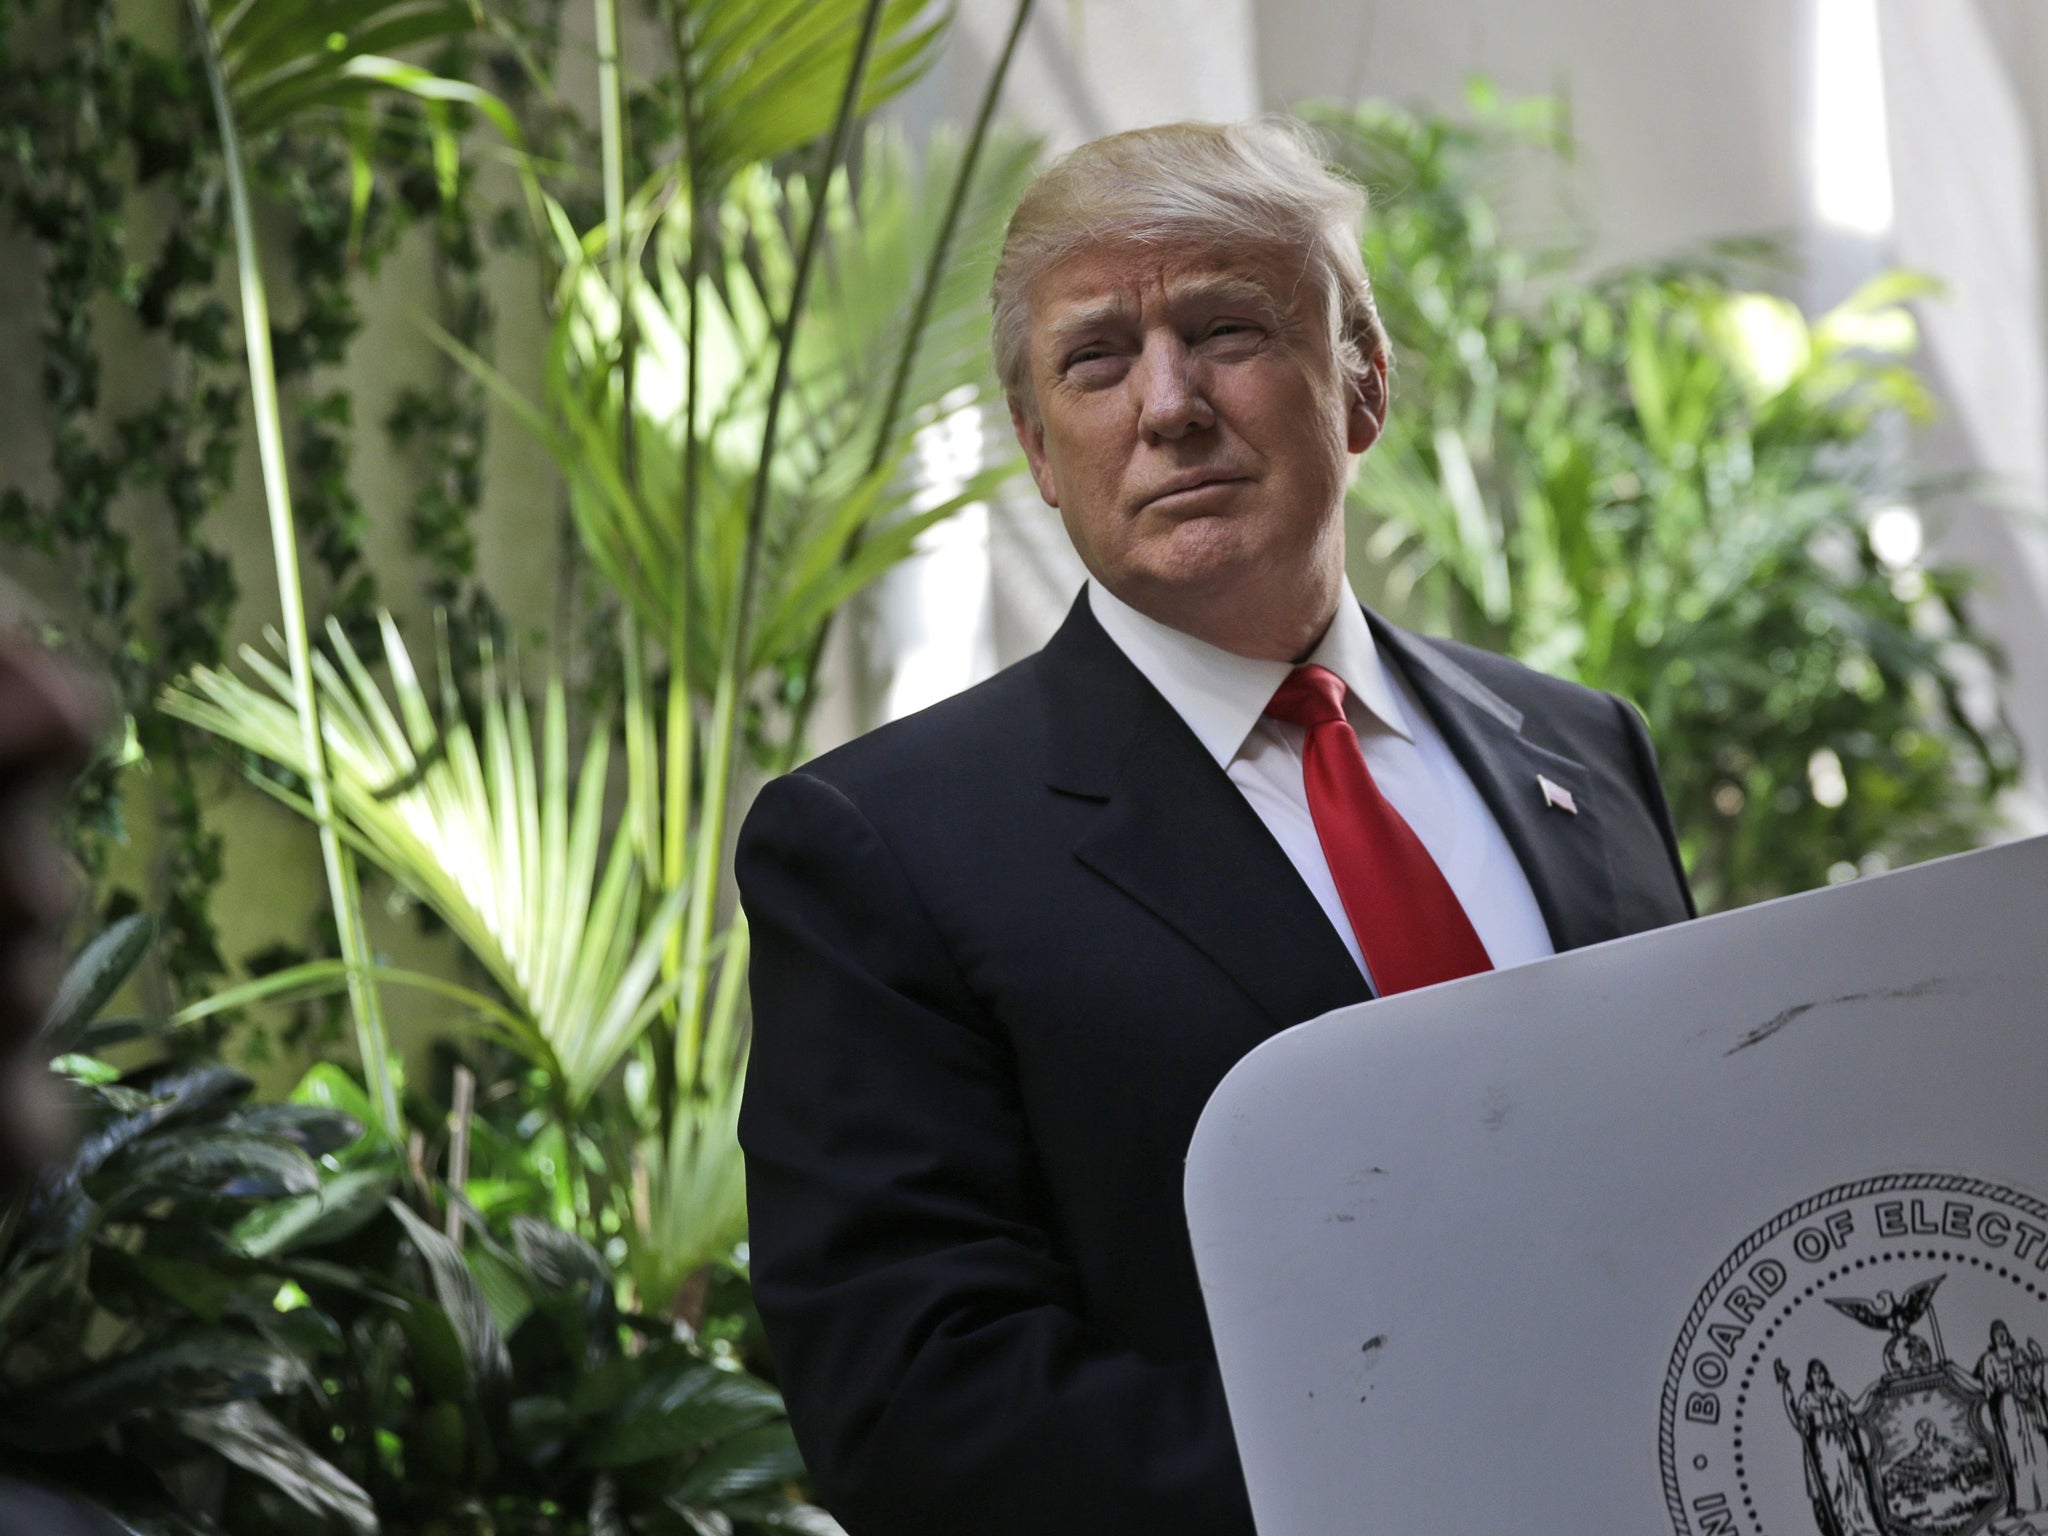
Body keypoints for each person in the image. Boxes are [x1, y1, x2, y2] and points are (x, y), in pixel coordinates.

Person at [735, 120, 1695, 1536]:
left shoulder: (1582, 748)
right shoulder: (880, 848)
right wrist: (1445, 1469)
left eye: (1225, 328)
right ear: (1037, 449)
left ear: (1362, 383)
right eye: (1097, 358)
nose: (1168, 406)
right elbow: (919, 1411)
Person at [1776, 1357, 1884, 1536]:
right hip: (1824, 1445)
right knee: (1833, 1486)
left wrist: (1871, 1390)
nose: (1819, 1376)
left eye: (1821, 1371)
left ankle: (1864, 1525)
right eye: (1815, 1373)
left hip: (1843, 1441)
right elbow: (1800, 1423)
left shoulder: (1836, 1393)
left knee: (1853, 1484)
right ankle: (1844, 1528)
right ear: (1810, 1377)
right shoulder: (1807, 1398)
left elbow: (1855, 1408)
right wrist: (1787, 1395)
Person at [1976, 1320, 2048, 1512]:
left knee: (2038, 1449)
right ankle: (2025, 1502)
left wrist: (2037, 1362)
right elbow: (1988, 1388)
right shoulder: (1989, 1359)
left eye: (2003, 1332)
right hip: (2008, 1406)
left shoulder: (2020, 1354)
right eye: (1997, 1333)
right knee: (2017, 1454)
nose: (2001, 1336)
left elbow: (2034, 1381)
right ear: (1993, 1337)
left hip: (2027, 1405)